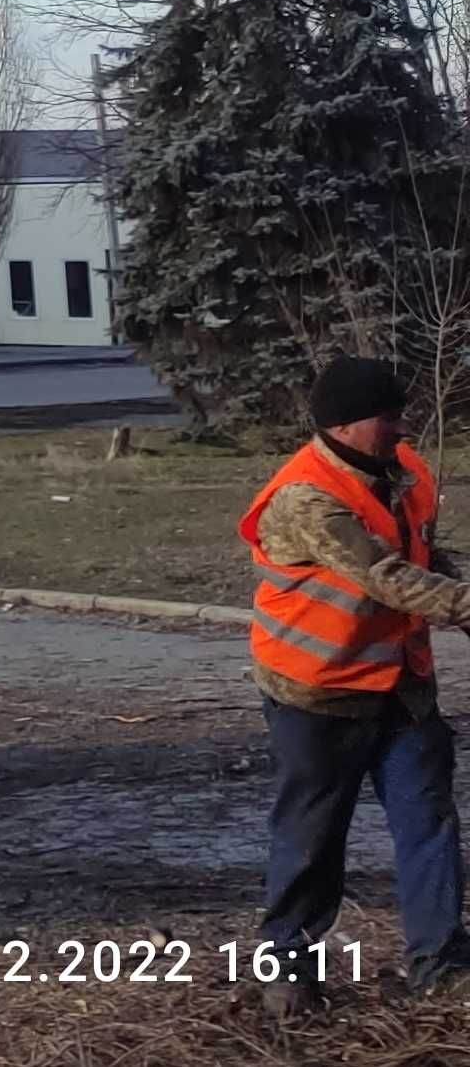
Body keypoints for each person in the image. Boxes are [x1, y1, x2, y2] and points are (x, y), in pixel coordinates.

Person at [244, 354, 470, 1014]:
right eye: (389, 415)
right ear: (344, 425)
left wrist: (456, 596)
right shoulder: (308, 498)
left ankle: (442, 965)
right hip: (318, 694)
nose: (402, 425)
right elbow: (388, 578)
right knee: (312, 837)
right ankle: (288, 970)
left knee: (429, 822)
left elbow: (421, 556)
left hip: (401, 687)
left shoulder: (401, 471)